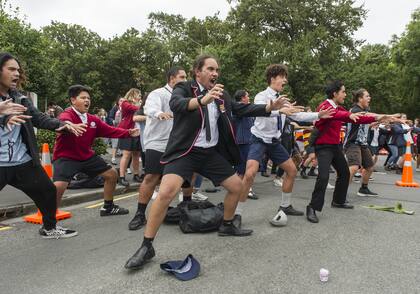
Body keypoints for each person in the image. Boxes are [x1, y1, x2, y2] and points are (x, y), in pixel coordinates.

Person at [124, 54, 292, 270]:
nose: (215, 73)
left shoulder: (221, 95)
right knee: (166, 193)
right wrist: (202, 100)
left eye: (217, 70)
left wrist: (270, 108)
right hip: (185, 151)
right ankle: (147, 246)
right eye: (211, 69)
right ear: (198, 71)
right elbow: (177, 105)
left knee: (237, 187)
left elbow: (240, 109)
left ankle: (228, 224)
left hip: (209, 153)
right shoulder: (183, 88)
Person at [0, 52, 86, 239]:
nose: (16, 73)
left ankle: (49, 228)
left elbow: (39, 118)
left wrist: (62, 124)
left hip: (22, 161)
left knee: (48, 191)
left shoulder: (20, 98)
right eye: (11, 69)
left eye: (18, 70)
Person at [239, 64, 334, 225]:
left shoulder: (283, 99)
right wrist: (279, 111)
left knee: (291, 170)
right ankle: (236, 214)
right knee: (249, 174)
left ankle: (285, 205)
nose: (285, 80)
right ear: (273, 78)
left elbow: (298, 115)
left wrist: (319, 114)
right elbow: (261, 111)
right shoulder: (261, 96)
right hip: (259, 139)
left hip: (274, 142)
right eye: (283, 77)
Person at [306, 80, 389, 223]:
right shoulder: (325, 106)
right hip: (323, 146)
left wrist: (376, 117)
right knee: (324, 177)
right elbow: (338, 115)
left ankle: (338, 201)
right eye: (343, 92)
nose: (345, 94)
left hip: (335, 146)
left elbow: (357, 119)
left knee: (344, 173)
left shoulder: (340, 107)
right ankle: (312, 207)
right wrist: (348, 115)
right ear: (335, 93)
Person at [53, 85, 139, 216]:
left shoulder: (93, 119)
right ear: (73, 100)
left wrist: (128, 132)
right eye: (83, 98)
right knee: (59, 186)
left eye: (88, 98)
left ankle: (108, 207)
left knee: (111, 175)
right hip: (67, 157)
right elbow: (64, 121)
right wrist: (68, 126)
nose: (87, 100)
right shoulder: (67, 114)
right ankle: (50, 219)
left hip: (86, 156)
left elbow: (110, 130)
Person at [128, 66, 187, 230]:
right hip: (158, 142)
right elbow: (149, 108)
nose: (185, 80)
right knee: (151, 177)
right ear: (172, 78)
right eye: (182, 77)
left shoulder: (185, 95)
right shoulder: (158, 93)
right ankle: (140, 214)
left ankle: (186, 210)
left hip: (179, 143)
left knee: (186, 177)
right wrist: (159, 113)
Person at [344, 89, 382, 197]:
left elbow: (364, 124)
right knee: (354, 167)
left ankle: (363, 189)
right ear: (360, 99)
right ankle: (341, 191)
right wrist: (386, 116)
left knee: (369, 167)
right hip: (352, 143)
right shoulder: (356, 110)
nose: (369, 98)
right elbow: (368, 116)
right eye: (367, 96)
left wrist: (377, 122)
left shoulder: (364, 110)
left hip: (362, 143)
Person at [232, 89, 258, 200]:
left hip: (248, 141)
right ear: (242, 98)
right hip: (243, 142)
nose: (249, 98)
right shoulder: (238, 109)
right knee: (242, 168)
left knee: (246, 167)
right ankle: (242, 190)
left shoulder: (246, 108)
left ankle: (242, 189)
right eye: (247, 96)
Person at [117, 89, 142, 186]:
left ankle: (136, 175)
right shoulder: (125, 103)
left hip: (137, 131)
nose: (140, 96)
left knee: (136, 154)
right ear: (133, 94)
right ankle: (122, 176)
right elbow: (136, 109)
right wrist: (141, 105)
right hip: (127, 131)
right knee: (126, 154)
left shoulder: (136, 104)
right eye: (138, 94)